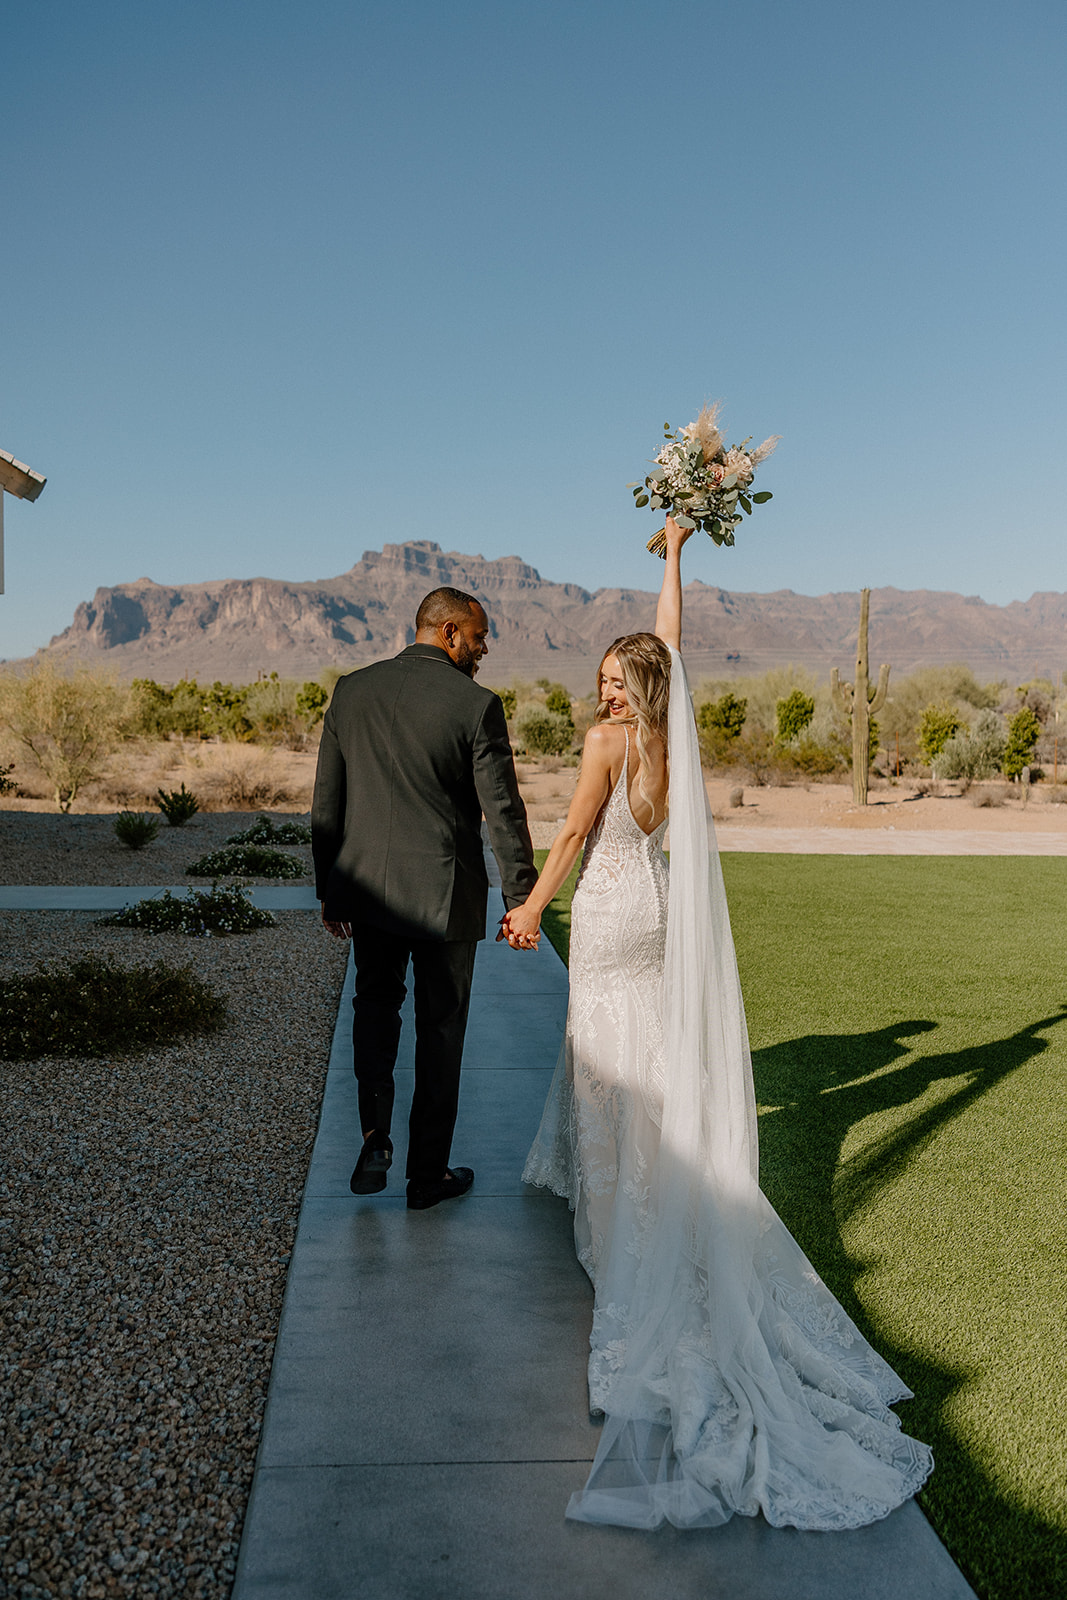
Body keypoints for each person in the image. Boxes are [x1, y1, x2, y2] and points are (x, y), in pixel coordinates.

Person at [504, 517, 933, 1530]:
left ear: (633, 692)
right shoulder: (673, 733)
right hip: (652, 920)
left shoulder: (610, 741)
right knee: (633, 1052)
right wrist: (672, 555)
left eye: (619, 677)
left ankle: (621, 1234)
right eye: (602, 674)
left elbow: (569, 828)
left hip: (609, 917)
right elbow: (670, 644)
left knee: (610, 1059)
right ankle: (648, 1207)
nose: (607, 688)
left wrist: (528, 907)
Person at [312, 585, 538, 1211]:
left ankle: (374, 1134)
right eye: (478, 634)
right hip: (446, 896)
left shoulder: (351, 691)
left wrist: (332, 889)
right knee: (440, 1030)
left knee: (375, 1011)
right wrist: (522, 896)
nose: (483, 646)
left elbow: (327, 806)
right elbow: (504, 813)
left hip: (369, 894)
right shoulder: (476, 705)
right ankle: (427, 1175)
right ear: (447, 632)